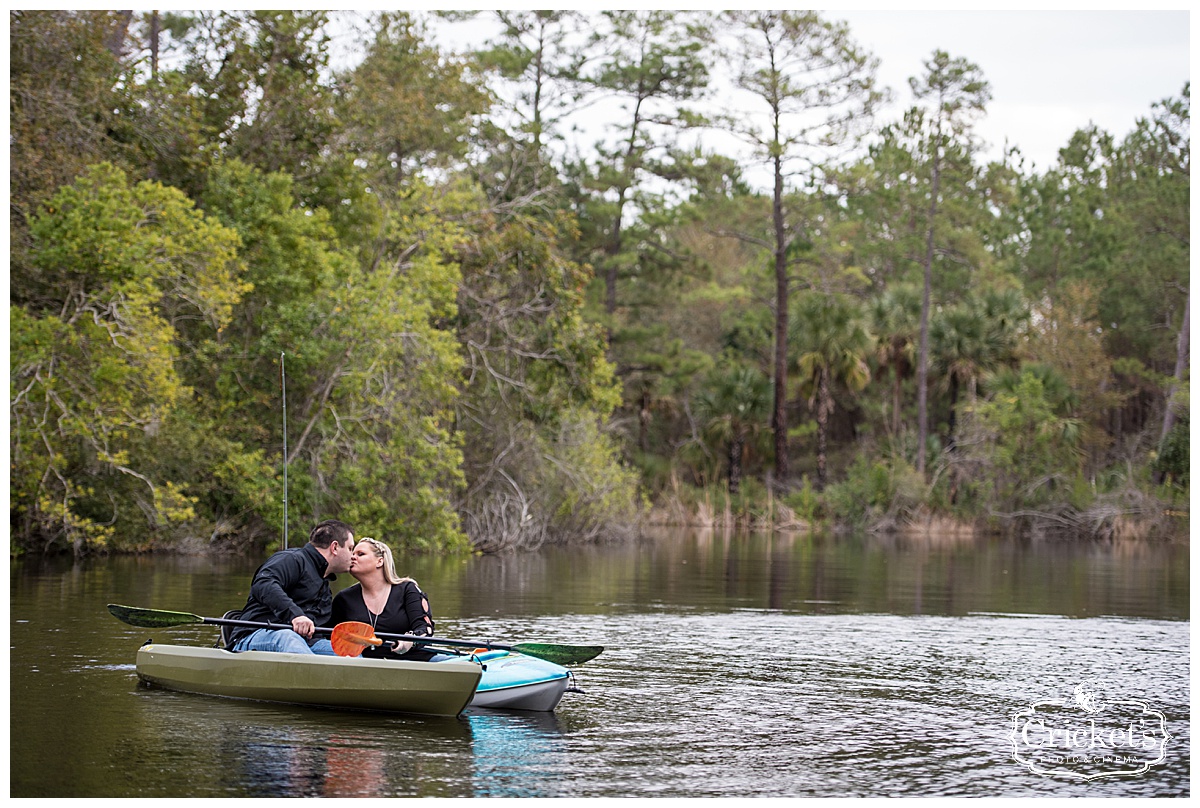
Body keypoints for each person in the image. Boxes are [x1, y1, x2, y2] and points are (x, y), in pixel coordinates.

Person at [227, 519, 355, 655]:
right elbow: (263, 583)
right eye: (350, 548)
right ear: (334, 547)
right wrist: (295, 615)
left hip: (307, 644)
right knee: (289, 638)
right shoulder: (292, 560)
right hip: (253, 636)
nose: (352, 556)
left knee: (348, 651)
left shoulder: (325, 588)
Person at [329, 536, 442, 661]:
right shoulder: (343, 599)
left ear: (380, 561)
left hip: (414, 660)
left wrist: (409, 641)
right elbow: (332, 637)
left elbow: (425, 628)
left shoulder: (408, 589)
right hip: (364, 664)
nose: (353, 557)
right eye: (352, 553)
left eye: (360, 554)